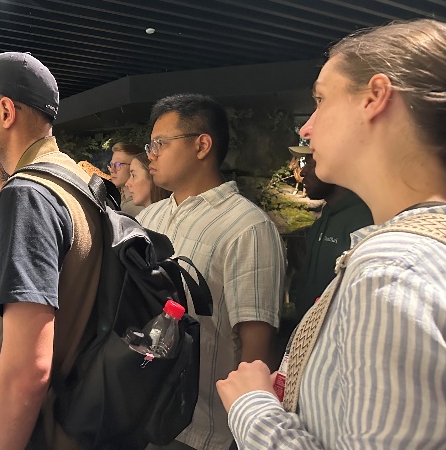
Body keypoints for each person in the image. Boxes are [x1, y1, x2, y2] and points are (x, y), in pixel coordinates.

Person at [217, 19, 446, 448]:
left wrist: (252, 407)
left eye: (321, 100)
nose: (306, 128)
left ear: (375, 98)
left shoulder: (392, 271)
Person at [0, 51, 103, 449]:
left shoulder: (27, 194)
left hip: (41, 429)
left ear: (6, 111)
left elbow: (27, 368)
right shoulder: (75, 181)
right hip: (77, 416)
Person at [137, 93, 285, 450]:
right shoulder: (149, 217)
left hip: (204, 431)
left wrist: (245, 429)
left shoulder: (247, 228)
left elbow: (256, 348)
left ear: (202, 145)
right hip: (141, 410)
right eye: (150, 145)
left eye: (160, 144)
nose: (150, 155)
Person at [288, 146, 373, 323]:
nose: (302, 172)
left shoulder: (364, 224)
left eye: (311, 163)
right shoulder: (322, 221)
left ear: (337, 166)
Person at [108, 141, 145, 216]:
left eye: (118, 164)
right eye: (111, 164)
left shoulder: (141, 207)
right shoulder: (120, 198)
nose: (112, 170)